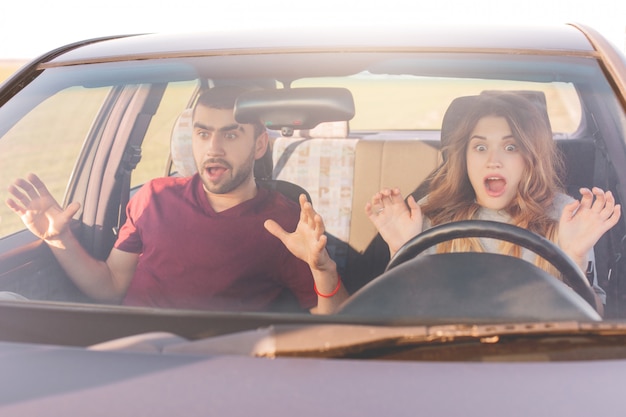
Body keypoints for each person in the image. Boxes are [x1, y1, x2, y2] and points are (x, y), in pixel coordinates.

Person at [5, 86, 347, 314]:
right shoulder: (154, 197)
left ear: (259, 145)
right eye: (203, 133)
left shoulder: (285, 224)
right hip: (126, 355)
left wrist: (323, 271)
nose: (213, 148)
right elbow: (110, 287)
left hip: (210, 374)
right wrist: (57, 237)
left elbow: (335, 324)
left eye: (230, 133)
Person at [363, 92, 620, 314]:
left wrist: (575, 257)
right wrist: (401, 249)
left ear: (531, 157)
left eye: (510, 148)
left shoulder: (564, 215)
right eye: (480, 147)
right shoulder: (432, 213)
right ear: (464, 157)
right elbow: (401, 312)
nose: (493, 161)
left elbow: (593, 314)